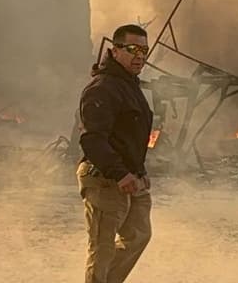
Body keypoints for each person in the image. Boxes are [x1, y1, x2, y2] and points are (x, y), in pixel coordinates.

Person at [77, 23, 154, 283]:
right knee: (102, 247)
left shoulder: (130, 86)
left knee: (139, 235)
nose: (139, 56)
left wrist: (139, 172)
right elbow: (92, 140)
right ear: (115, 50)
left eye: (144, 50)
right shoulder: (103, 88)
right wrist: (120, 173)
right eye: (132, 49)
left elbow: (128, 137)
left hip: (130, 178)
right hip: (104, 178)